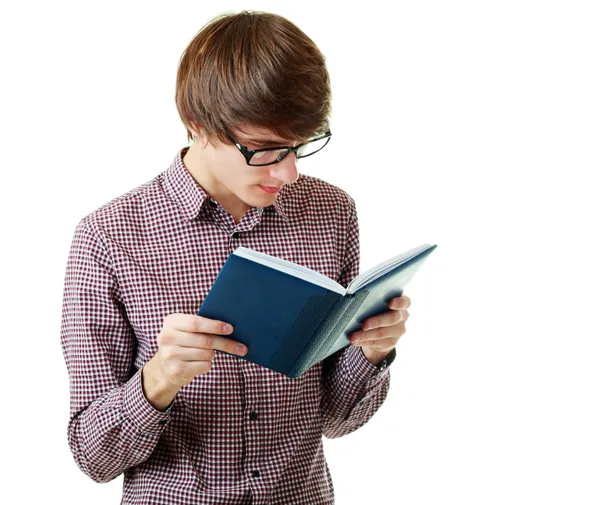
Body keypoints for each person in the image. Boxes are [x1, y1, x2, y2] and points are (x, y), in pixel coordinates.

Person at [60, 10, 411, 505]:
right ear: (197, 125)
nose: (288, 172)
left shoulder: (332, 212)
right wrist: (160, 378)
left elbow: (336, 418)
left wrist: (371, 352)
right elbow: (92, 456)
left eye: (299, 146)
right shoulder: (109, 237)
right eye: (265, 149)